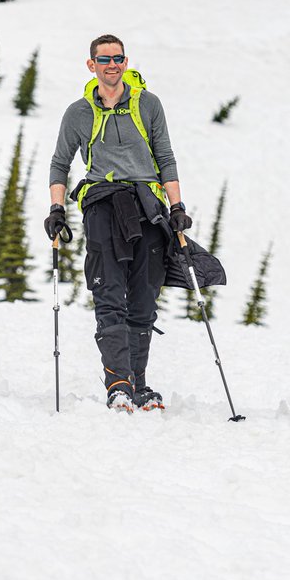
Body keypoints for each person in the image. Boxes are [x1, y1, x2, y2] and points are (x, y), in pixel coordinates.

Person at [45, 34, 193, 412]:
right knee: (109, 294)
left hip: (148, 206)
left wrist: (177, 207)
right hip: (102, 204)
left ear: (126, 63)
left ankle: (139, 385)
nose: (112, 65)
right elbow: (60, 163)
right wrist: (56, 209)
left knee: (143, 298)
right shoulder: (78, 112)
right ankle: (118, 385)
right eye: (104, 59)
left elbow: (166, 157)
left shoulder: (149, 105)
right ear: (91, 64)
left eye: (118, 58)